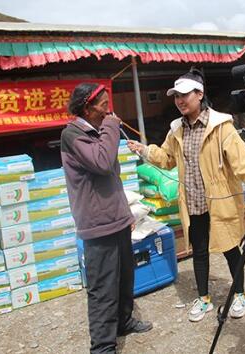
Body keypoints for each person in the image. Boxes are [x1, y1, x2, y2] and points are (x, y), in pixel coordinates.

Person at [128, 68, 245, 322]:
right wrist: (145, 151)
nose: (179, 101)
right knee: (199, 251)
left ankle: (240, 294)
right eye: (176, 96)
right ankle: (204, 299)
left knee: (230, 248)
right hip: (192, 203)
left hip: (219, 200)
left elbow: (241, 158)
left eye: (184, 95)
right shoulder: (177, 130)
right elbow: (167, 159)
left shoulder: (220, 126)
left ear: (199, 94)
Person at [61, 83, 152, 354]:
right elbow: (101, 163)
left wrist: (125, 213)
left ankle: (123, 321)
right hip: (97, 225)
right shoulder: (72, 134)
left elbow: (112, 179)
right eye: (103, 106)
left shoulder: (96, 132)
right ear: (87, 109)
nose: (108, 110)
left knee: (125, 277)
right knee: (102, 288)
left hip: (116, 220)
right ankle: (102, 346)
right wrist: (112, 126)